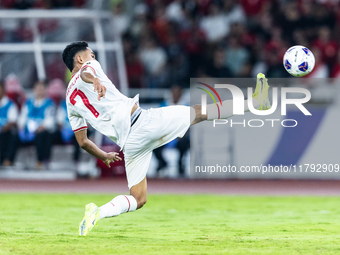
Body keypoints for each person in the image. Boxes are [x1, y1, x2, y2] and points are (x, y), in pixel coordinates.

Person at [61, 41, 270, 236]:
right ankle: (256, 101)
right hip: (142, 124)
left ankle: (98, 212)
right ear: (80, 59)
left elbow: (82, 141)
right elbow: (87, 73)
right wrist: (95, 79)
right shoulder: (90, 66)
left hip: (129, 144)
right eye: (91, 53)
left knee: (138, 198)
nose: (93, 56)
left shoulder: (70, 102)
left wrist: (104, 155)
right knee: (198, 112)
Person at [18, 81, 55, 170]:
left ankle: (40, 161)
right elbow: (22, 116)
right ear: (34, 90)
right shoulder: (28, 103)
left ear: (45, 90)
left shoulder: (49, 103)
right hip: (28, 130)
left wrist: (40, 128)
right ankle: (8, 160)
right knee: (13, 136)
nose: (39, 91)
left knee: (41, 136)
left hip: (41, 131)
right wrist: (21, 127)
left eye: (42, 89)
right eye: (38, 88)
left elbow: (50, 121)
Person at [0, 81, 19, 167]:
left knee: (12, 133)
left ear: (3, 90)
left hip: (5, 131)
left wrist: (3, 128)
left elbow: (13, 121)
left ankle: (8, 159)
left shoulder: (10, 104)